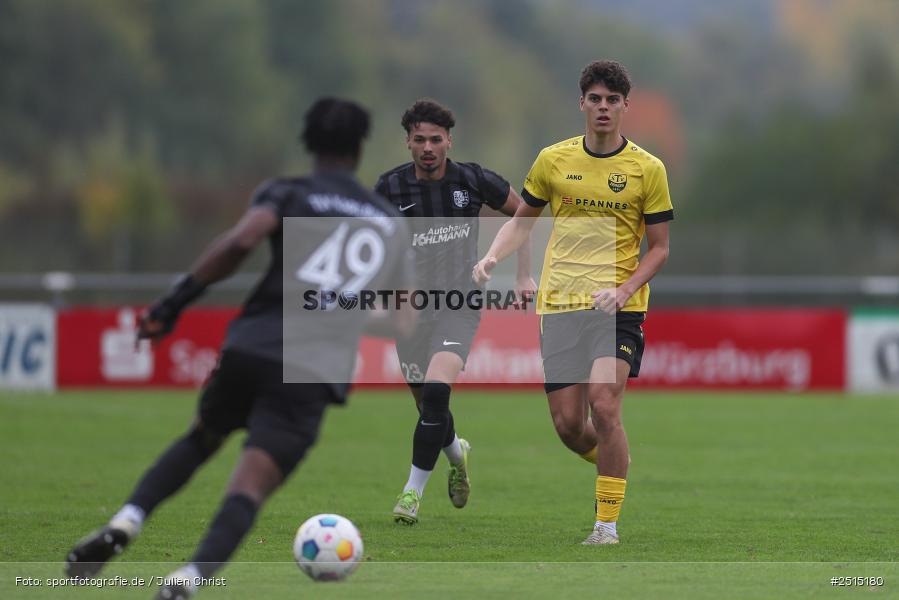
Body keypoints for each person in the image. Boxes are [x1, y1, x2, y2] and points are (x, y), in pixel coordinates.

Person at [64, 98, 412, 598]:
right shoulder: (387, 221)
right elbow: (403, 323)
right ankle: (189, 578)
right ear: (360, 148)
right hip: (311, 369)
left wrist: (173, 303)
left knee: (202, 437)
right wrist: (344, 306)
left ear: (309, 144)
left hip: (253, 346)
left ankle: (126, 519)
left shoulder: (289, 192)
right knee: (249, 485)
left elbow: (239, 242)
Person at [473, 60, 673, 545]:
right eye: (595, 99)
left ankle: (606, 524)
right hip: (561, 303)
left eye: (612, 100)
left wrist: (625, 291)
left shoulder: (647, 169)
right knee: (568, 425)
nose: (603, 108)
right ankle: (615, 462)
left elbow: (660, 248)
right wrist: (492, 256)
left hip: (618, 306)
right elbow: (522, 221)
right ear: (581, 103)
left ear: (626, 106)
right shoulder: (553, 160)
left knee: (605, 408)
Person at [375, 99, 536, 524]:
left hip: (458, 304)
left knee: (436, 393)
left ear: (449, 140)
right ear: (408, 142)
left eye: (436, 139)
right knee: (428, 408)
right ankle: (456, 455)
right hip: (408, 311)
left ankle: (410, 495)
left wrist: (523, 275)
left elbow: (524, 215)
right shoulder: (388, 188)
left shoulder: (473, 179)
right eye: (419, 139)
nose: (428, 147)